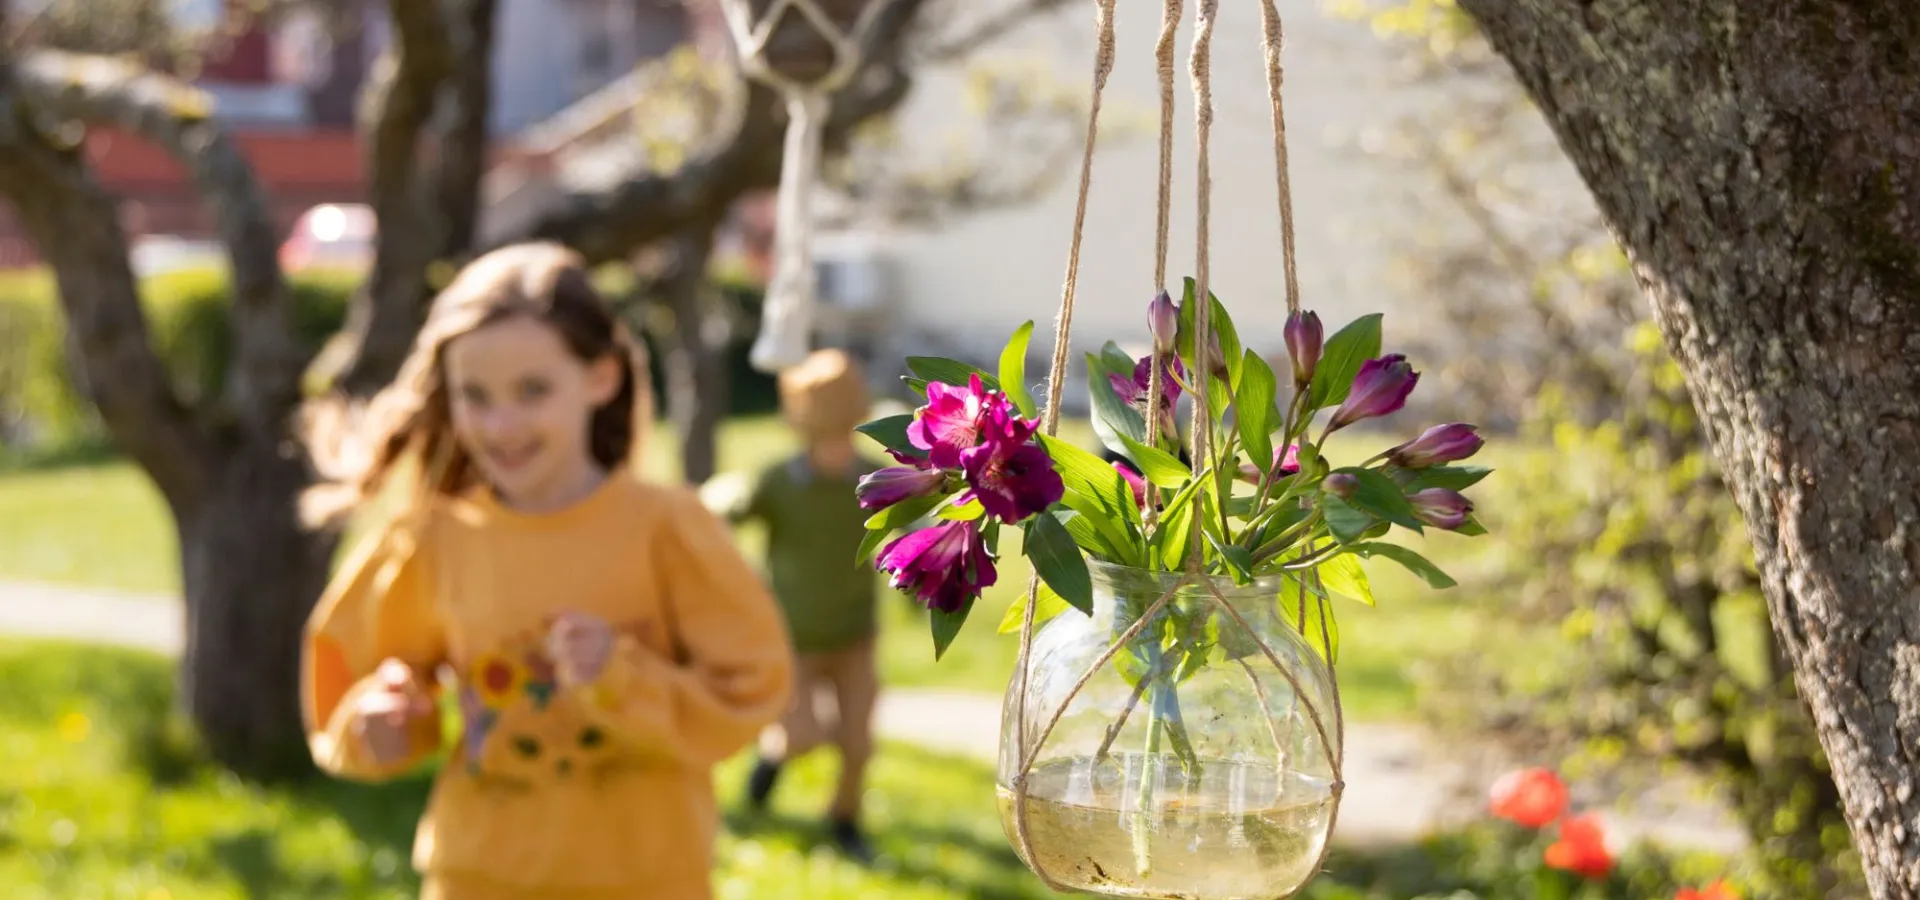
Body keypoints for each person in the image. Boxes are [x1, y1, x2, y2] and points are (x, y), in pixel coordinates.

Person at [297, 242, 794, 900]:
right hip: (476, 876)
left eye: (533, 390)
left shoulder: (668, 529)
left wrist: (619, 676)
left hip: (646, 880)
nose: (502, 425)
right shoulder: (433, 539)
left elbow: (750, 691)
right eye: (475, 395)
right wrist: (380, 724)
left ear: (602, 377)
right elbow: (349, 679)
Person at [707, 348, 885, 864]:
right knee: (801, 734)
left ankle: (844, 820)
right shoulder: (781, 483)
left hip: (854, 634)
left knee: (857, 743)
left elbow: (911, 531)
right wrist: (714, 509)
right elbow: (730, 502)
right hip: (794, 638)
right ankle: (771, 762)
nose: (831, 447)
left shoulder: (870, 481)